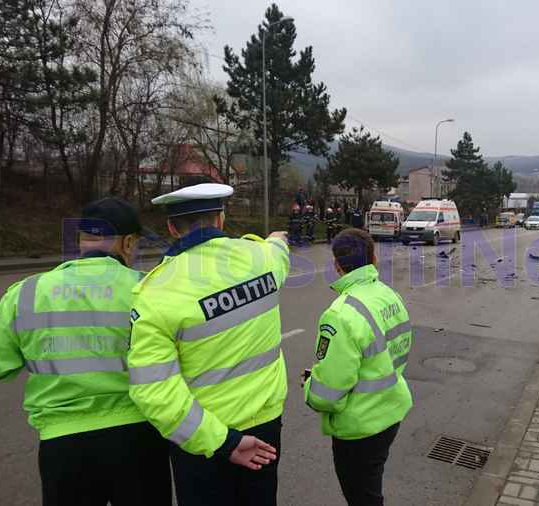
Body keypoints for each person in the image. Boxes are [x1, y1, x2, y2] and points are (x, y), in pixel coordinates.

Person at [0, 197, 172, 506]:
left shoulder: (27, 292)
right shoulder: (150, 289)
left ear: (81, 240)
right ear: (129, 243)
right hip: (139, 439)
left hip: (62, 446)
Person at [127, 183, 286, 506]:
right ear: (221, 219)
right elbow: (278, 248)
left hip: (203, 442)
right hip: (266, 428)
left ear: (172, 228)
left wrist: (223, 442)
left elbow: (154, 390)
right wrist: (274, 239)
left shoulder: (155, 293)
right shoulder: (262, 258)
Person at [303, 229, 413, 506]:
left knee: (362, 497)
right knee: (370, 490)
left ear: (337, 266)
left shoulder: (340, 315)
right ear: (373, 259)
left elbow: (326, 395)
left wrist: (309, 386)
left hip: (360, 427)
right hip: (390, 413)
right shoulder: (389, 295)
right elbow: (396, 352)